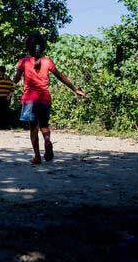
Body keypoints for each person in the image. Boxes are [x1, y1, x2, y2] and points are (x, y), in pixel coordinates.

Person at [14, 32, 86, 165]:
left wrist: (18, 75)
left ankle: (37, 157)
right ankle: (47, 141)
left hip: (29, 99)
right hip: (44, 99)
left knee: (33, 128)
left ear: (28, 47)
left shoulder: (23, 62)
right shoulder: (48, 62)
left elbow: (16, 80)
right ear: (42, 47)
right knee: (44, 125)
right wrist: (75, 89)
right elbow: (61, 77)